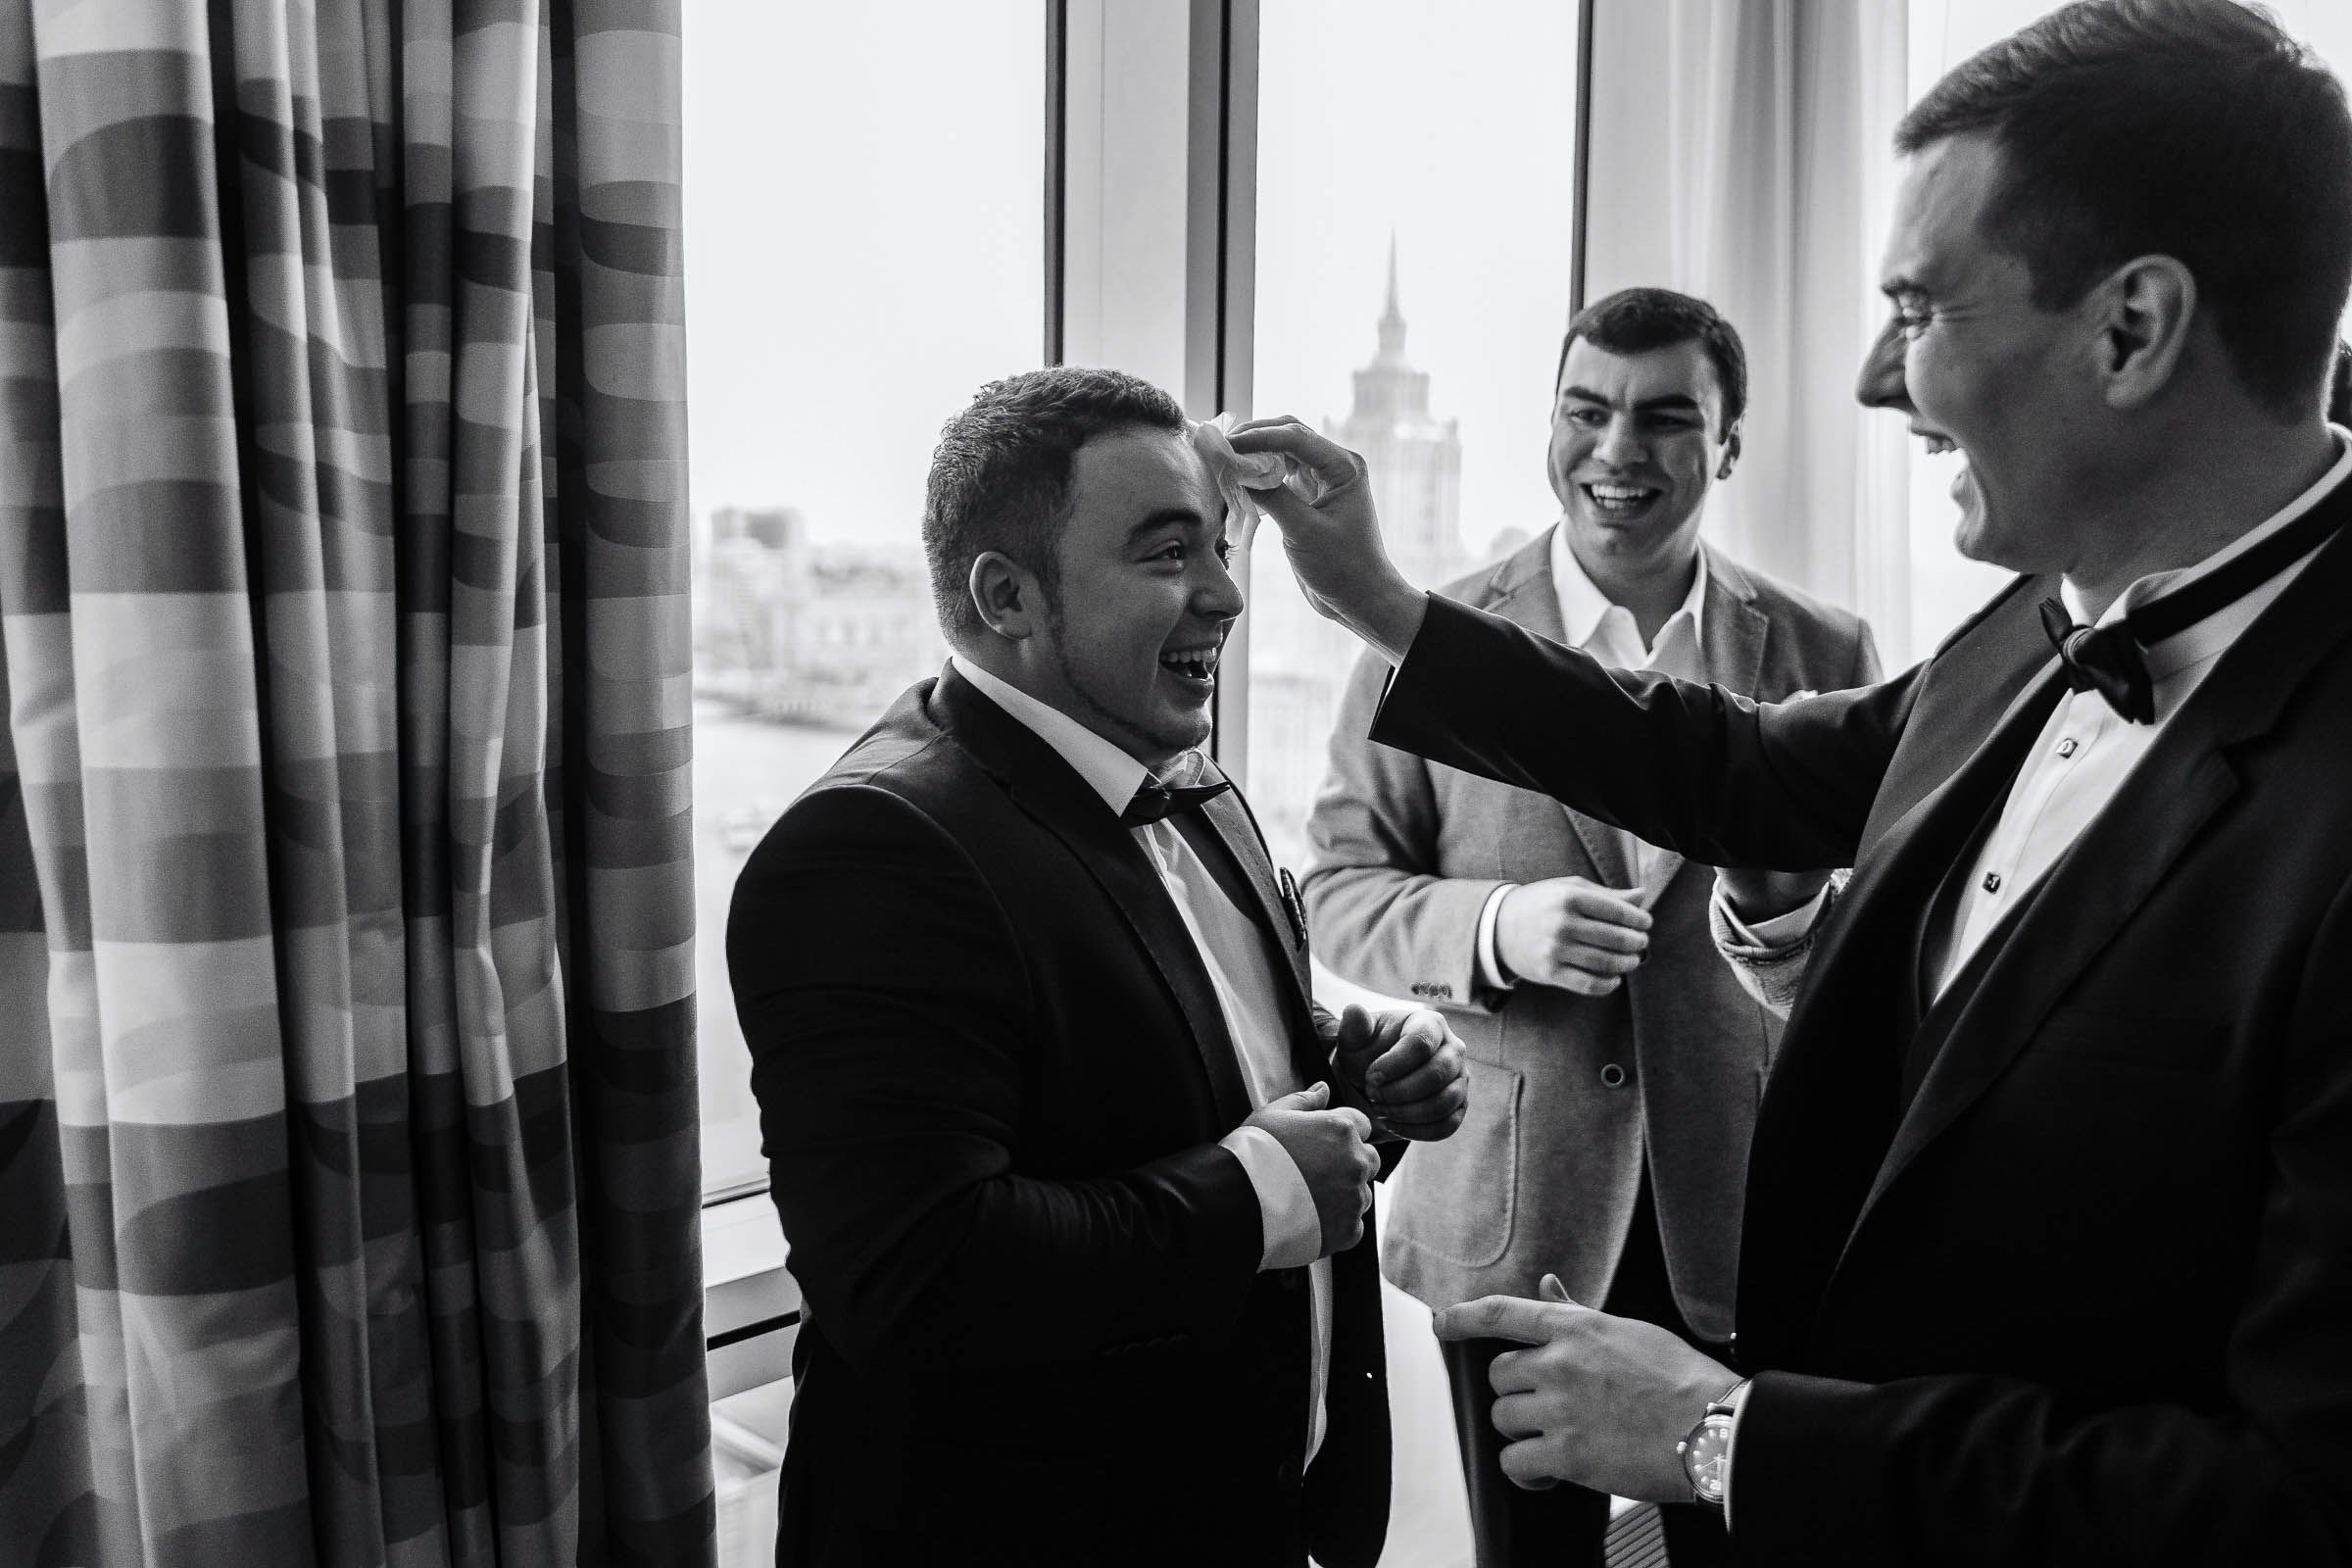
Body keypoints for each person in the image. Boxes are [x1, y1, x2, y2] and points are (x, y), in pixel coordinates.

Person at [1227, 1, 2352, 1561]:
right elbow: (1739, 765)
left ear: (2132, 330)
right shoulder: (2032, 629)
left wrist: (1726, 1437)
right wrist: (1385, 605)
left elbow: (2299, 1501)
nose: (1881, 381)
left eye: (1919, 307)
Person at [726, 366, 1469, 1568]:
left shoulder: (1195, 781)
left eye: (1219, 544)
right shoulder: (869, 848)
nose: (1227, 593)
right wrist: (1265, 1194)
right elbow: (916, 1276)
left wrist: (1357, 1080)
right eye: (1169, 552)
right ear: (1007, 595)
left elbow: (1169, 1064)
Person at [1299, 287, 1878, 1568]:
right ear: (1549, 426)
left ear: (1728, 443)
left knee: (1742, 1534)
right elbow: (1335, 885)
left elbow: (1869, 930)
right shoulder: (1426, 637)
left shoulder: (1825, 646)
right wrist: (1494, 926)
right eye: (1586, 410)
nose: (1619, 448)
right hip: (1516, 1208)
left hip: (1740, 1204)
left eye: (1666, 417)